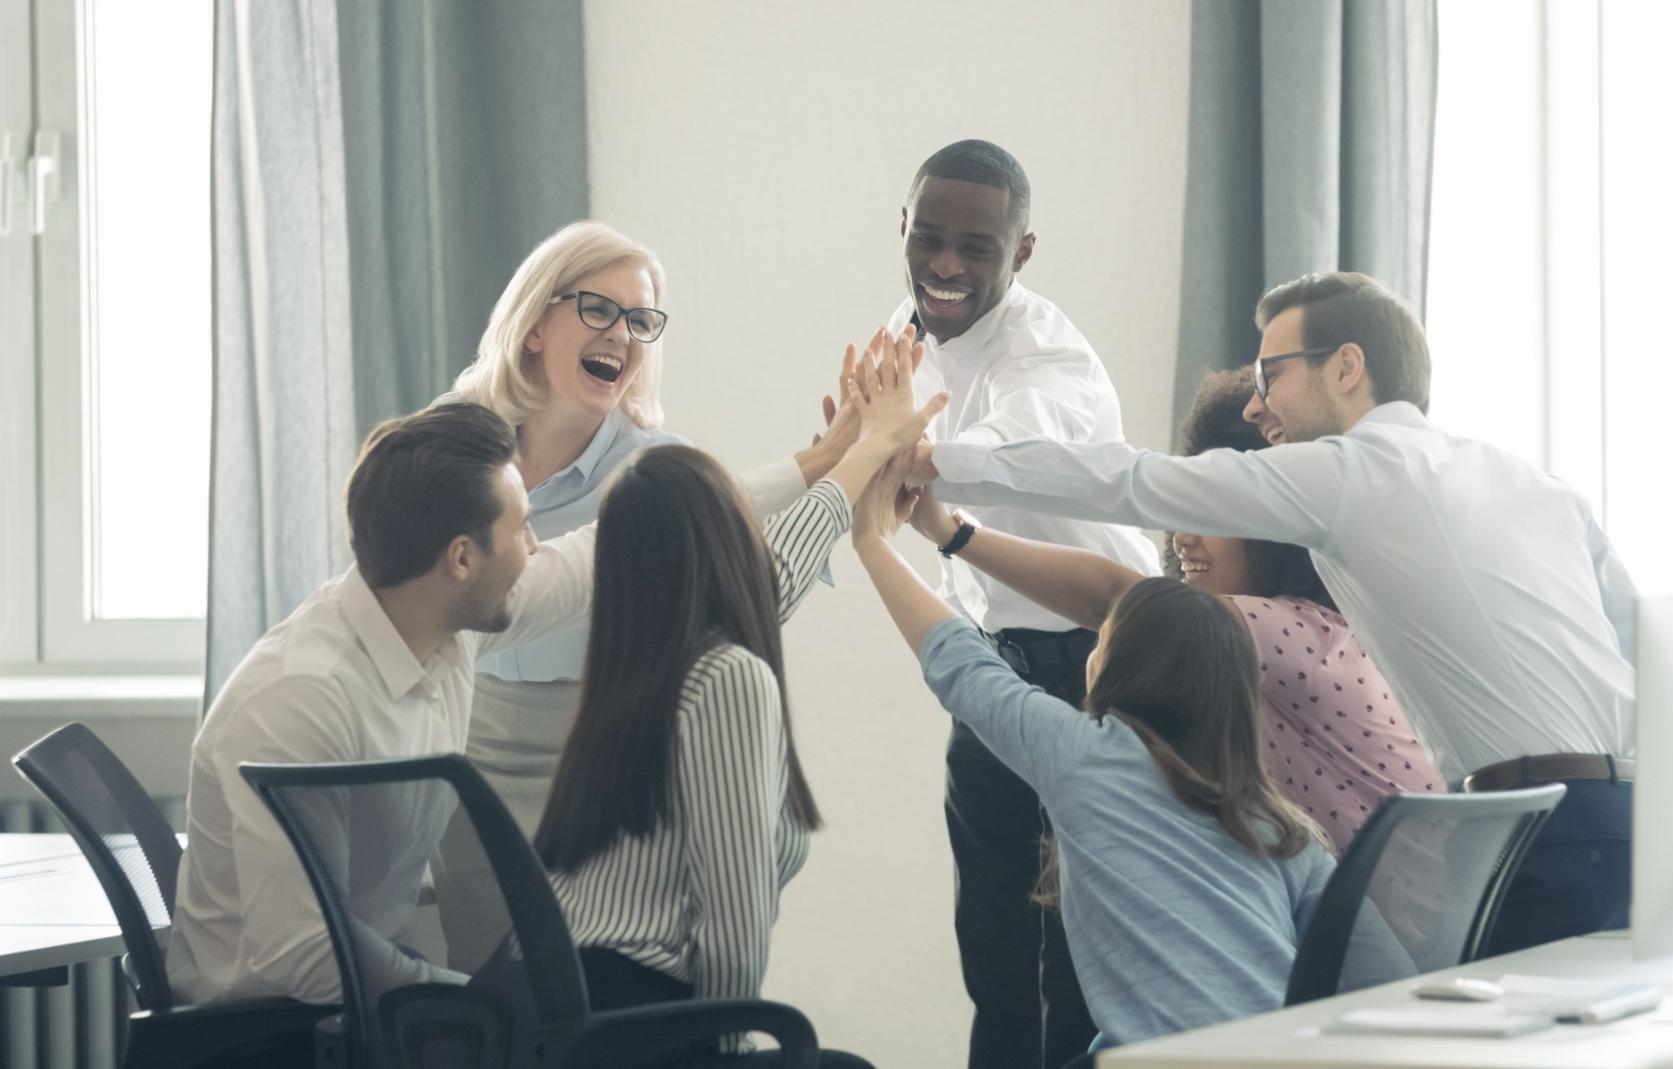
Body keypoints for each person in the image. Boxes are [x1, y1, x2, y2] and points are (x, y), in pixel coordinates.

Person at [919, 271, 1639, 954]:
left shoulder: (1358, 473)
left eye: (1271, 376)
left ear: (1346, 367)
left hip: (1538, 831)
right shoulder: (1532, 482)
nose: (1257, 405)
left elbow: (1133, 481)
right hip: (1630, 815)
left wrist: (928, 462)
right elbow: (1634, 640)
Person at [436, 221, 879, 960]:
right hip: (469, 753)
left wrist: (845, 465)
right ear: (538, 322)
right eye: (599, 309)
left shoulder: (659, 468)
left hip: (593, 756)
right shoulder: (456, 445)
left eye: (641, 320)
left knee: (573, 994)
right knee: (491, 1004)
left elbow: (746, 580)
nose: (623, 333)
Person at [533, 341, 939, 1069]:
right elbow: (731, 923)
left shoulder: (634, 677)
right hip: (651, 1029)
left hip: (578, 1029)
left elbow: (767, 577)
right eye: (743, 520)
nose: (759, 534)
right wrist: (729, 1049)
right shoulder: (723, 678)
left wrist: (854, 455)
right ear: (723, 540)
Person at [851, 457, 1338, 1062]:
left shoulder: (1092, 760)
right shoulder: (1284, 828)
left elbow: (961, 665)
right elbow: (1366, 966)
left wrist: (870, 541)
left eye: (1101, 637)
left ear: (1116, 664)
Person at [167, 402, 598, 1008]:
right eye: (522, 527)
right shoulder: (299, 699)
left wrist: (774, 478)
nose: (534, 548)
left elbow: (586, 564)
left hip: (359, 1003)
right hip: (271, 1031)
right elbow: (304, 957)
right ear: (462, 559)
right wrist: (477, 1005)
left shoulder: (441, 619)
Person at [907, 367, 1441, 854]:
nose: (1183, 536)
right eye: (1185, 510)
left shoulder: (1297, 635)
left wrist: (950, 531)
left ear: (1277, 532)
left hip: (1390, 939)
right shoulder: (1322, 626)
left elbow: (1116, 599)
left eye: (1210, 515)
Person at [887, 138, 1158, 1069]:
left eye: (977, 246)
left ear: (1023, 252)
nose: (947, 265)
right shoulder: (905, 332)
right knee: (992, 942)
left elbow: (1004, 445)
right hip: (999, 656)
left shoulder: (1050, 361)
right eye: (929, 238)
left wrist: (905, 462)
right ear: (904, 231)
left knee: (1081, 952)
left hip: (1106, 661)